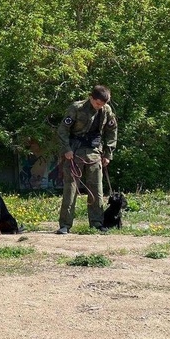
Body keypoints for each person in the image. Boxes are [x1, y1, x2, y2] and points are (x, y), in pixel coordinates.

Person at [55, 85, 118, 234]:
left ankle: (96, 223)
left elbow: (112, 131)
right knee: (70, 189)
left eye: (103, 104)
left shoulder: (107, 110)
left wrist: (108, 154)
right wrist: (67, 150)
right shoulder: (76, 108)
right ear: (91, 98)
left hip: (95, 152)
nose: (100, 106)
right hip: (74, 153)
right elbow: (62, 130)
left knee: (96, 189)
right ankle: (65, 225)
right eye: (97, 103)